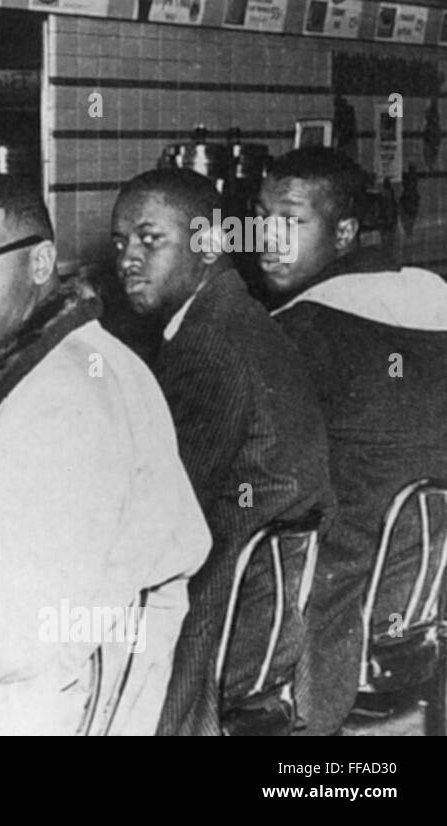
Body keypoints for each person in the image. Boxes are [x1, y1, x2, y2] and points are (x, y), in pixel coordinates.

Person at [0, 174, 210, 735]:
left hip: (44, 707)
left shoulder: (59, 402)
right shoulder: (91, 357)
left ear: (39, 264)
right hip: (78, 689)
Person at [111, 168, 334, 736]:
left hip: (223, 612)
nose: (128, 259)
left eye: (149, 239)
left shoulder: (208, 342)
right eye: (121, 243)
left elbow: (165, 508)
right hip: (265, 604)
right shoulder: (231, 317)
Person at [257, 147, 447, 735]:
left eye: (290, 222)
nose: (267, 239)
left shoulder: (298, 333)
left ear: (343, 232)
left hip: (334, 612)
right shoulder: (432, 298)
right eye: (259, 219)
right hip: (423, 593)